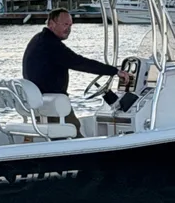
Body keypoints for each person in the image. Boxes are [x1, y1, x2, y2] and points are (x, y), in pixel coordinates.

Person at [22, 7, 130, 137]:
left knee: (73, 126)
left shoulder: (39, 40)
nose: (68, 29)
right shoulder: (51, 45)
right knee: (74, 128)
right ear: (51, 24)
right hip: (53, 103)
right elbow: (80, 63)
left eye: (70, 25)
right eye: (65, 24)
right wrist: (114, 71)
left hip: (41, 102)